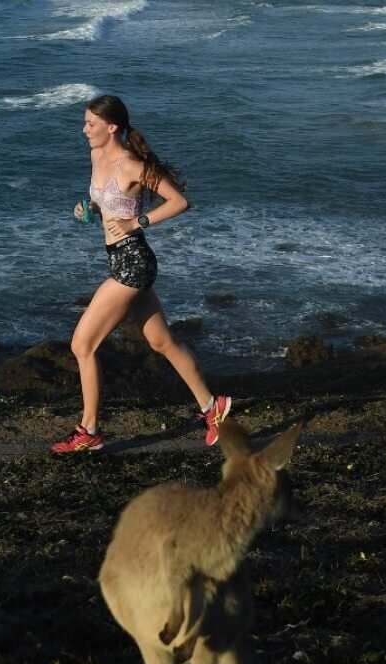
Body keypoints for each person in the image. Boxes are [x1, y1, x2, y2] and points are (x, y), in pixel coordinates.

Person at [51, 95, 231, 453]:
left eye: (91, 123)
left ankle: (88, 431)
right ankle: (213, 407)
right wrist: (88, 212)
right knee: (162, 342)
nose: (84, 129)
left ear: (111, 126)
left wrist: (138, 221)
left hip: (133, 264)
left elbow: (179, 202)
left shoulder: (132, 164)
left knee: (81, 345)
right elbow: (104, 206)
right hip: (117, 259)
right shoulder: (96, 156)